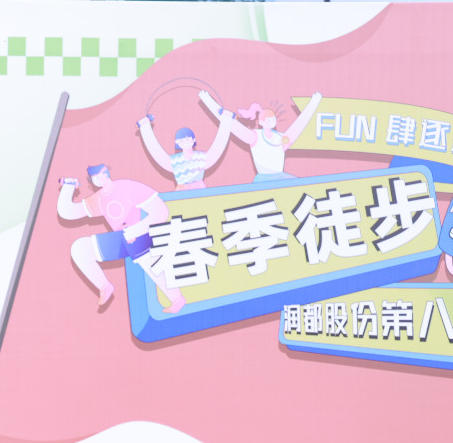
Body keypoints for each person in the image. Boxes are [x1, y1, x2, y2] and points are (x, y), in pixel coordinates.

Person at [56, 164, 186, 314]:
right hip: (121, 238)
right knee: (80, 248)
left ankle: (177, 300)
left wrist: (136, 230)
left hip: (140, 235)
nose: (98, 179)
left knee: (152, 265)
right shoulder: (99, 198)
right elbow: (69, 212)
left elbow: (161, 211)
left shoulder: (127, 187)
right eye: (94, 177)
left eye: (101, 174)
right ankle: (104, 287)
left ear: (106, 172)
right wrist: (68, 187)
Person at [202, 90, 324, 182]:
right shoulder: (255, 137)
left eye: (273, 119)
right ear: (261, 122)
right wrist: (208, 101)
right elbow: (232, 124)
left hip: (281, 178)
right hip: (264, 180)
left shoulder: (280, 138)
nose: (271, 122)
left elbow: (298, 126)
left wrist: (314, 102)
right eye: (267, 120)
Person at [137, 110, 235, 190]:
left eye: (188, 139)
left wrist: (226, 120)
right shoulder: (175, 161)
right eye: (182, 140)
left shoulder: (201, 157)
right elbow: (157, 153)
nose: (185, 142)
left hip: (200, 192)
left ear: (193, 140)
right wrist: (145, 127)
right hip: (182, 194)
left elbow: (217, 148)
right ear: (178, 143)